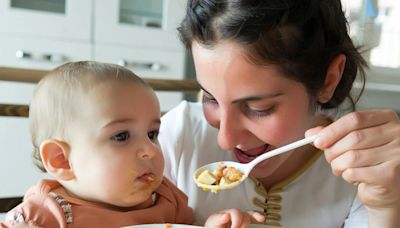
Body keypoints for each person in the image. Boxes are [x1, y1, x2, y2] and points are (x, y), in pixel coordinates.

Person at [158, 0, 400, 227]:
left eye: (258, 109)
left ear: (328, 80)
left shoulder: (363, 171)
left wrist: (386, 206)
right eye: (210, 98)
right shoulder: (174, 138)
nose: (226, 139)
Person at [0, 61, 263, 228]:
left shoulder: (166, 199)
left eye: (152, 133)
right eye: (121, 136)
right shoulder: (43, 217)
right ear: (61, 159)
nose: (150, 149)